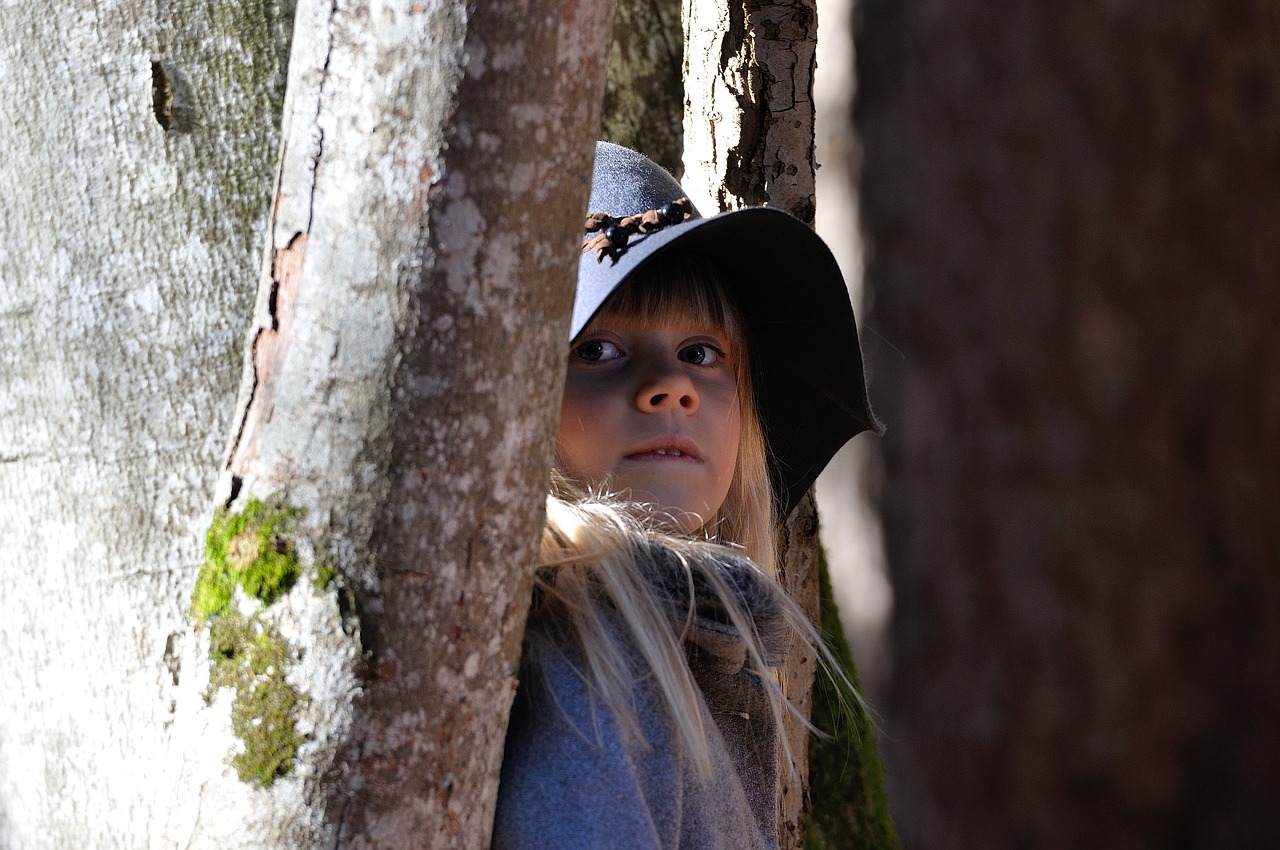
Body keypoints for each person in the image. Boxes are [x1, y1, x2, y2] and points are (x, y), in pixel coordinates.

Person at [491, 142, 881, 850]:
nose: (671, 386)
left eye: (701, 352)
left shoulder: (689, 634)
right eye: (596, 350)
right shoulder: (586, 650)